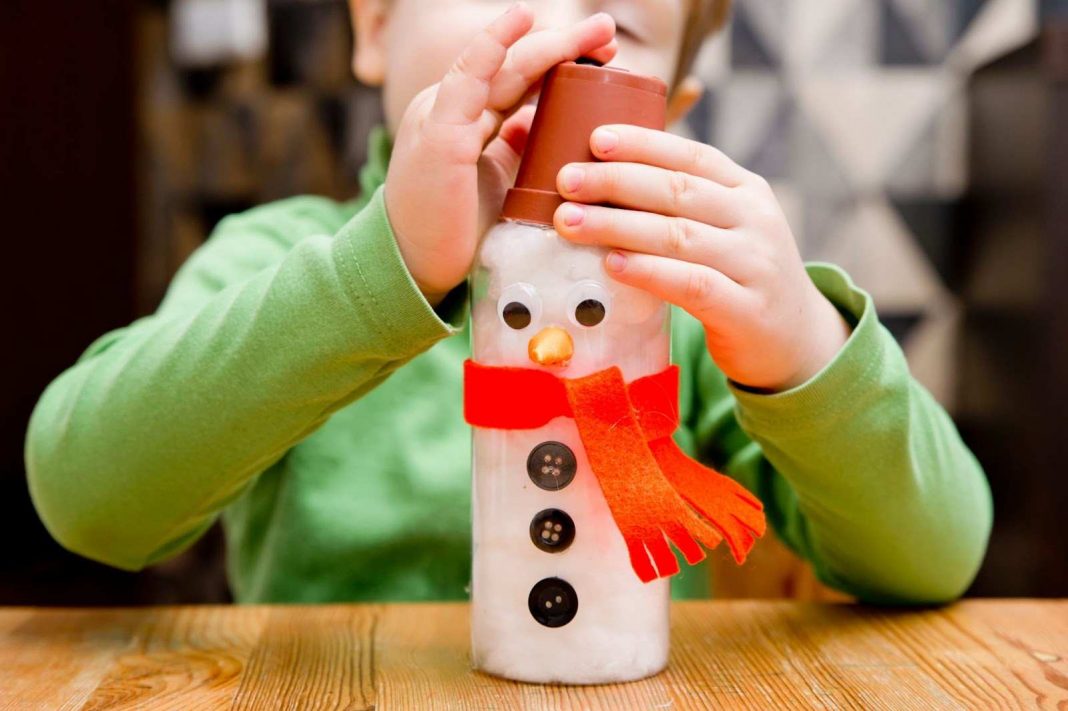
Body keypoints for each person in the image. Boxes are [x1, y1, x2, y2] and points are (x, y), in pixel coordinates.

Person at [25, 0, 992, 604]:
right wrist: (388, 265)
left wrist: (801, 349)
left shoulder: (687, 308)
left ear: (672, 111)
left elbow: (936, 559)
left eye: (625, 28)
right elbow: (87, 501)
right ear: (373, 26)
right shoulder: (281, 262)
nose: (561, 46)